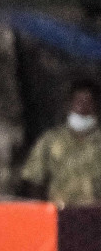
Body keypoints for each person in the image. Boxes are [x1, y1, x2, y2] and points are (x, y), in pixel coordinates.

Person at [20, 79, 101, 207]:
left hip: (95, 216)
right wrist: (44, 209)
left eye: (88, 102)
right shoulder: (50, 140)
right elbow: (33, 179)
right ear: (69, 105)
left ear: (96, 106)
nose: (83, 108)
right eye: (79, 101)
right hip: (60, 214)